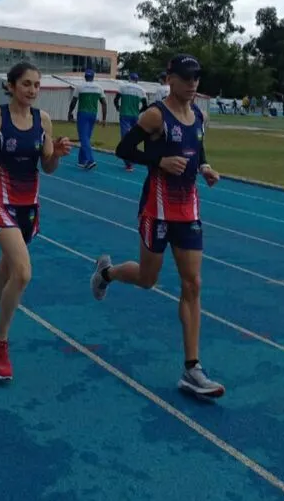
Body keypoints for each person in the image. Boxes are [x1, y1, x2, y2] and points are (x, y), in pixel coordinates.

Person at [89, 53, 225, 399]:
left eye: (196, 77)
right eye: (185, 77)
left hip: (189, 210)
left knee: (192, 284)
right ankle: (107, 273)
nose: (192, 83)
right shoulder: (155, 115)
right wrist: (159, 160)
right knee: (148, 280)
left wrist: (206, 167)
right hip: (157, 209)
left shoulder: (198, 115)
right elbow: (123, 148)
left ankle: (192, 368)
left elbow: (199, 148)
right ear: (170, 79)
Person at [0, 62, 73, 380]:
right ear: (11, 86)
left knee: (5, 271)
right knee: (22, 272)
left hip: (28, 206)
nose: (32, 90)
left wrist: (57, 153)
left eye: (36, 85)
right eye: (26, 84)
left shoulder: (43, 120)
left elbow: (47, 167)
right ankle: (0, 343)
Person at [67, 68, 106, 170]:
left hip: (83, 114)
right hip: (93, 114)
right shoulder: (99, 88)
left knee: (83, 138)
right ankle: (81, 161)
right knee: (86, 138)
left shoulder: (79, 87)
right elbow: (104, 103)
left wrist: (70, 113)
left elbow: (73, 102)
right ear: (93, 77)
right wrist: (104, 118)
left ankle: (90, 160)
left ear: (85, 77)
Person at [114, 72, 147, 172]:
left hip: (124, 115)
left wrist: (118, 107)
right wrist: (138, 111)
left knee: (125, 139)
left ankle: (128, 163)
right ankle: (131, 159)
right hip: (135, 116)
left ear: (129, 78)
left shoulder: (123, 87)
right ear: (137, 80)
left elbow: (116, 99)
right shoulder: (141, 90)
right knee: (133, 138)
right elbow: (145, 105)